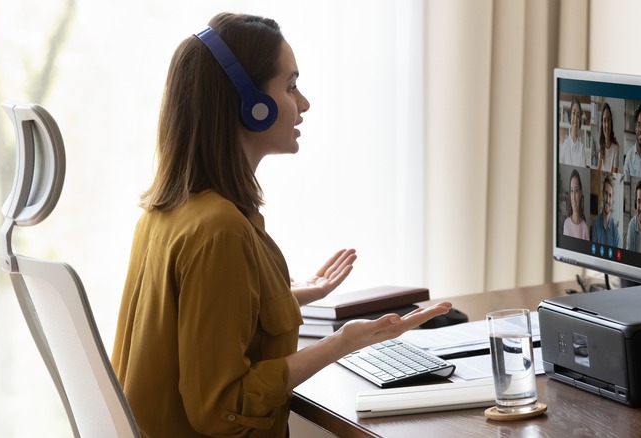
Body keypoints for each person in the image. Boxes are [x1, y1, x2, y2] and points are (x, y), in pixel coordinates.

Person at [110, 13, 452, 438]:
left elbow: (207, 326)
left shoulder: (170, 212)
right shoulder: (220, 230)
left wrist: (298, 296)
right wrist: (341, 342)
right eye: (290, 86)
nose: (303, 102)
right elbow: (221, 408)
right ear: (253, 107)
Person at [591, 173, 620, 247]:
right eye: (606, 194)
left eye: (610, 195)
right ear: (602, 194)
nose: (607, 199)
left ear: (612, 199)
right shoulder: (596, 223)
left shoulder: (615, 230)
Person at [558, 96, 587, 167]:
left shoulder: (581, 148)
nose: (575, 119)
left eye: (578, 115)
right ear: (570, 116)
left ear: (580, 120)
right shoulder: (564, 145)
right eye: (573, 113)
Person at [563, 169, 589, 240]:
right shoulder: (566, 224)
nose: (573, 197)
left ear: (580, 193)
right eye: (571, 191)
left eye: (576, 191)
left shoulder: (585, 229)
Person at [596, 103, 620, 173]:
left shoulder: (615, 149)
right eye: (604, 120)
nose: (606, 124)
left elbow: (613, 176)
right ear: (602, 124)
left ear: (611, 123)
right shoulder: (601, 149)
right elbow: (597, 172)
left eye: (609, 120)